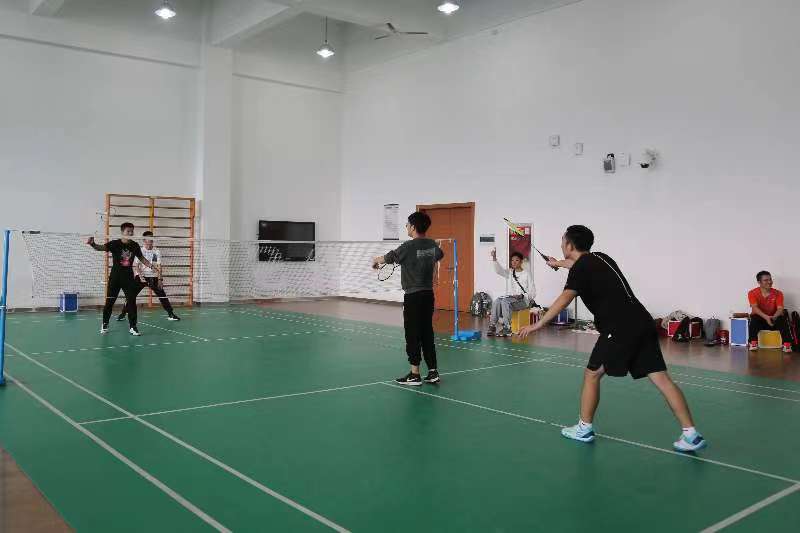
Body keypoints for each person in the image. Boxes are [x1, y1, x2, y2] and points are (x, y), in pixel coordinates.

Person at [518, 225, 706, 452]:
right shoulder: (601, 258)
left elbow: (566, 297)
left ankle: (584, 429)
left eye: (562, 241)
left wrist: (539, 323)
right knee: (662, 378)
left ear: (569, 245)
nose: (561, 245)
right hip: (642, 322)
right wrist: (557, 263)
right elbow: (577, 264)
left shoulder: (581, 268)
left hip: (620, 327)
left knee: (592, 374)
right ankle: (691, 434)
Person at [373, 212, 444, 386]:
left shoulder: (407, 246)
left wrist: (376, 260)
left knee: (412, 333)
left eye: (407, 224)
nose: (406, 226)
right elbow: (439, 254)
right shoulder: (432, 245)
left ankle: (414, 374)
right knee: (427, 332)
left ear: (413, 227)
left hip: (413, 296)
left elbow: (389, 257)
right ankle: (433, 371)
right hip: (428, 295)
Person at [87, 222, 154, 336]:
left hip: (128, 278)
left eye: (132, 231)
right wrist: (93, 244)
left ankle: (133, 327)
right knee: (110, 302)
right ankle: (105, 323)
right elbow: (100, 248)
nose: (131, 233)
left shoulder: (134, 245)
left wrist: (151, 266)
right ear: (122, 232)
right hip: (115, 278)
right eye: (128, 231)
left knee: (131, 302)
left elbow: (141, 258)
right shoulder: (115, 244)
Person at [117, 231, 180, 323]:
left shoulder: (156, 251)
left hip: (153, 277)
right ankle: (123, 314)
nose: (150, 241)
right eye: (148, 239)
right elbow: (136, 266)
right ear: (144, 240)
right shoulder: (140, 250)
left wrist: (160, 279)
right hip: (141, 276)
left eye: (151, 239)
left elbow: (159, 266)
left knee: (162, 296)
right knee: (131, 296)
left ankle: (171, 314)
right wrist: (140, 275)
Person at [487, 250, 536, 337]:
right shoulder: (510, 272)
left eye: (516, 260)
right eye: (512, 260)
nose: (514, 262)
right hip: (511, 299)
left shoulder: (527, 274)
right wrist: (494, 258)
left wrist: (522, 296)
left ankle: (507, 328)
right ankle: (492, 325)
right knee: (497, 301)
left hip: (523, 301)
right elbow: (498, 271)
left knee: (505, 302)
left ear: (521, 262)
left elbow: (533, 292)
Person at [748, 271, 792, 353]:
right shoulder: (752, 293)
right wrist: (766, 317)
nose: (769, 282)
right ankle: (753, 343)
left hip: (773, 319)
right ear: (759, 282)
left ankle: (787, 344)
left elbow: (780, 308)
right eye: (766, 280)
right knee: (754, 317)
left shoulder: (778, 293)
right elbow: (754, 308)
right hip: (761, 320)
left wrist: (774, 317)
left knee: (782, 317)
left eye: (770, 279)